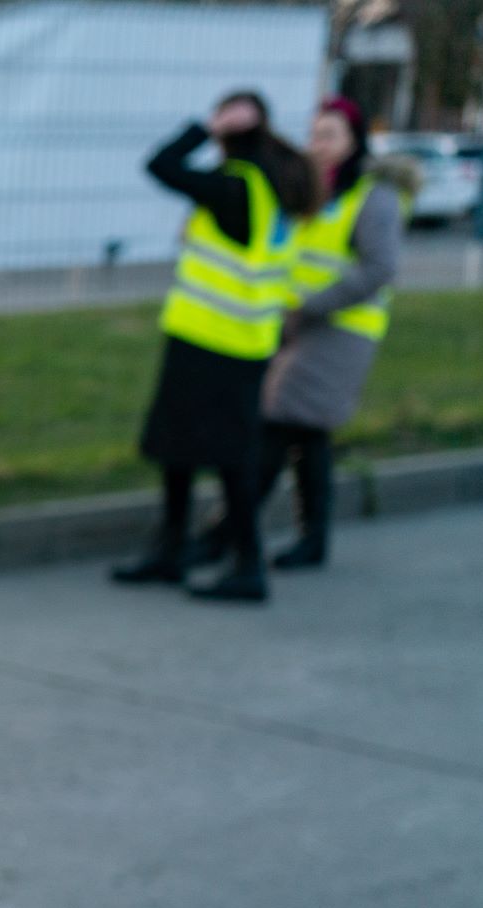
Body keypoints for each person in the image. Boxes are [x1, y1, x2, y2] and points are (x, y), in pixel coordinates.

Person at [113, 92, 319, 603]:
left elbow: (160, 165)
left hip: (211, 340)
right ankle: (173, 551)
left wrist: (204, 127)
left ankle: (246, 566)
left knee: (224, 459)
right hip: (245, 343)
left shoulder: (235, 186)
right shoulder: (270, 189)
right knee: (187, 450)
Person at [194, 97, 407, 572]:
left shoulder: (372, 197)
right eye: (314, 135)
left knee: (276, 424)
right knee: (306, 434)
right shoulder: (313, 189)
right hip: (295, 326)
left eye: (330, 135)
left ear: (355, 141)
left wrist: (308, 305)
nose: (319, 145)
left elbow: (379, 268)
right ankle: (310, 540)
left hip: (342, 330)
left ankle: (227, 535)